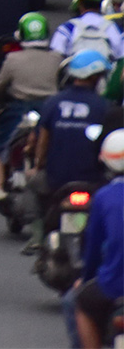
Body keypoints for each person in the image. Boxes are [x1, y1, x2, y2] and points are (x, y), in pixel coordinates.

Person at [0, 11, 64, 199]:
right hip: (49, 111)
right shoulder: (57, 58)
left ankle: (0, 188)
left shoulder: (13, 59)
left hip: (19, 111)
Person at [36, 50, 124, 198]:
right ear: (95, 76)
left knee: (32, 186)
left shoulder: (53, 103)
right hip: (94, 180)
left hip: (56, 180)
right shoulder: (105, 107)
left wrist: (38, 165)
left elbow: (43, 141)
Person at [70, 132, 124, 349]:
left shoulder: (104, 196)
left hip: (113, 285)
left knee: (78, 302)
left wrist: (85, 278)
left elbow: (92, 247)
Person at [54, 0, 124, 62]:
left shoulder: (67, 29)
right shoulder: (113, 28)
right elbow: (121, 58)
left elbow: (55, 58)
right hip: (104, 74)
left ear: (79, 2)